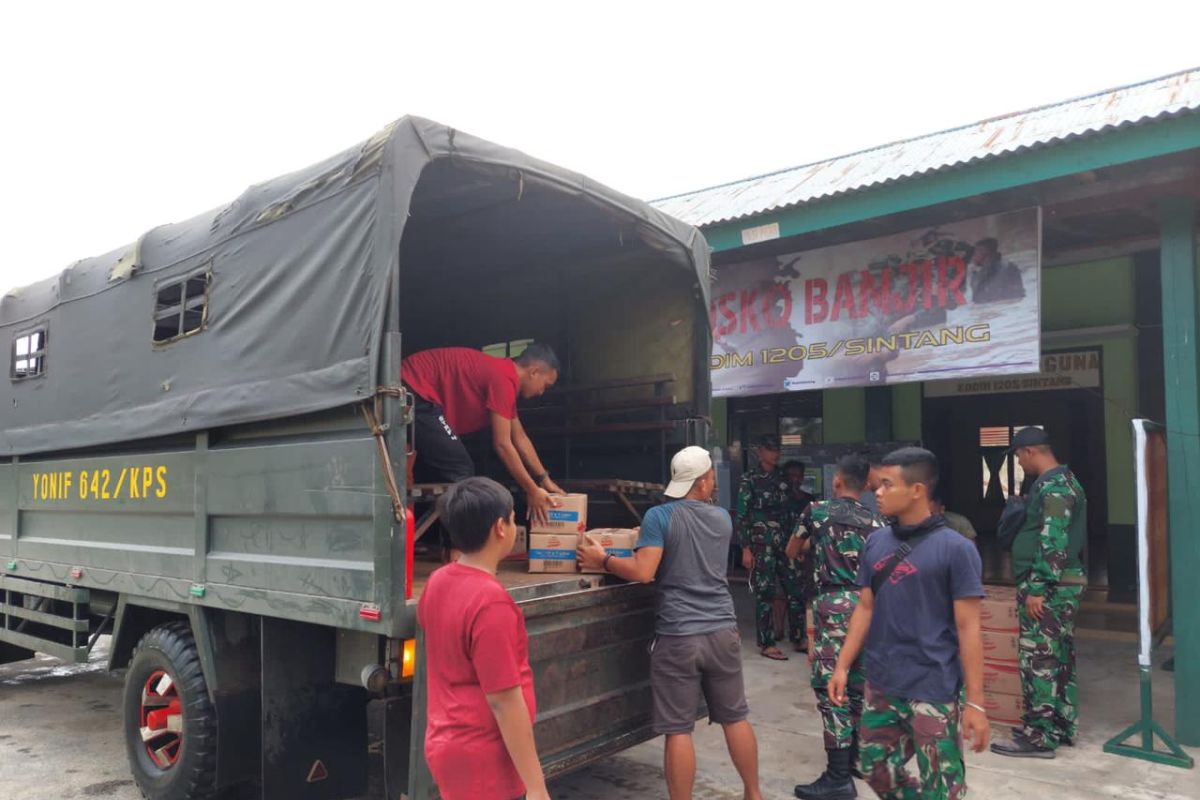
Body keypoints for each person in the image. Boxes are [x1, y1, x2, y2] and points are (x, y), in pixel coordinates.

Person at [578, 446, 764, 800]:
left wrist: (604, 559)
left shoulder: (659, 517)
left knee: (679, 730)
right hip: (722, 631)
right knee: (735, 716)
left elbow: (644, 571)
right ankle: (753, 794)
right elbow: (689, 544)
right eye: (710, 477)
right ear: (704, 483)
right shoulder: (723, 518)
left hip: (679, 636)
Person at [829, 447, 989, 799]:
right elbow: (865, 608)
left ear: (917, 490)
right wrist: (842, 666)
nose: (878, 493)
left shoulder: (956, 549)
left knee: (942, 787)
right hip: (882, 682)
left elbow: (969, 629)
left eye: (887, 485)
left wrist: (976, 703)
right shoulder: (876, 543)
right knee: (873, 766)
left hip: (932, 687)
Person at [416, 477, 550, 800]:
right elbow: (504, 701)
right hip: (483, 758)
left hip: (450, 744)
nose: (516, 525)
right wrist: (536, 786)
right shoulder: (491, 603)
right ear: (500, 528)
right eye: (513, 518)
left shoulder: (437, 581)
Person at [786, 455, 885, 800]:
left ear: (838, 481)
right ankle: (856, 757)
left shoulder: (816, 512)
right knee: (858, 683)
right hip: (868, 606)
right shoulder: (876, 521)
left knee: (832, 687)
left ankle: (838, 777)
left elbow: (791, 549)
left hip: (834, 606)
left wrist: (814, 549)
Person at [991, 427, 1087, 759]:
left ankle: (1039, 736)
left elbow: (1053, 542)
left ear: (1030, 451)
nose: (1019, 462)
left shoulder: (1057, 486)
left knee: (1039, 660)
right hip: (1056, 587)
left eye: (1018, 456)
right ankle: (1057, 724)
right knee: (1056, 656)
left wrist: (1038, 587)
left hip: (1051, 588)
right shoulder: (1055, 482)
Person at [401, 343, 565, 525]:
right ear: (534, 372)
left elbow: (519, 438)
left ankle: (405, 542)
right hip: (414, 390)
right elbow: (502, 445)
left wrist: (544, 480)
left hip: (410, 387)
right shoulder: (503, 379)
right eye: (545, 385)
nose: (542, 392)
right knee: (460, 470)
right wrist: (531, 490)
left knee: (402, 473)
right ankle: (457, 548)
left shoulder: (504, 377)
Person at [736, 435, 807, 659]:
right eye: (770, 449)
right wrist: (745, 548)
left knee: (795, 590)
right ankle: (766, 643)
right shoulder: (750, 479)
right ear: (760, 452)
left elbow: (792, 511)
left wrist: (798, 545)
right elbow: (742, 515)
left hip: (785, 543)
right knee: (764, 593)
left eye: (777, 449)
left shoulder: (783, 478)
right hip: (761, 544)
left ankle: (798, 638)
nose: (775, 453)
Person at [784, 459, 817, 649]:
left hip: (803, 553)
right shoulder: (780, 499)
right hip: (784, 552)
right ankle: (786, 633)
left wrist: (804, 550)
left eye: (798, 476)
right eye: (791, 476)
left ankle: (800, 637)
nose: (795, 480)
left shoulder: (808, 501)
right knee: (784, 596)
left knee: (802, 595)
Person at [969, 237, 1026, 304]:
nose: (973, 256)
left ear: (984, 252)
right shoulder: (986, 269)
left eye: (976, 252)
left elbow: (983, 297)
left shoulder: (1000, 268)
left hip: (1004, 309)